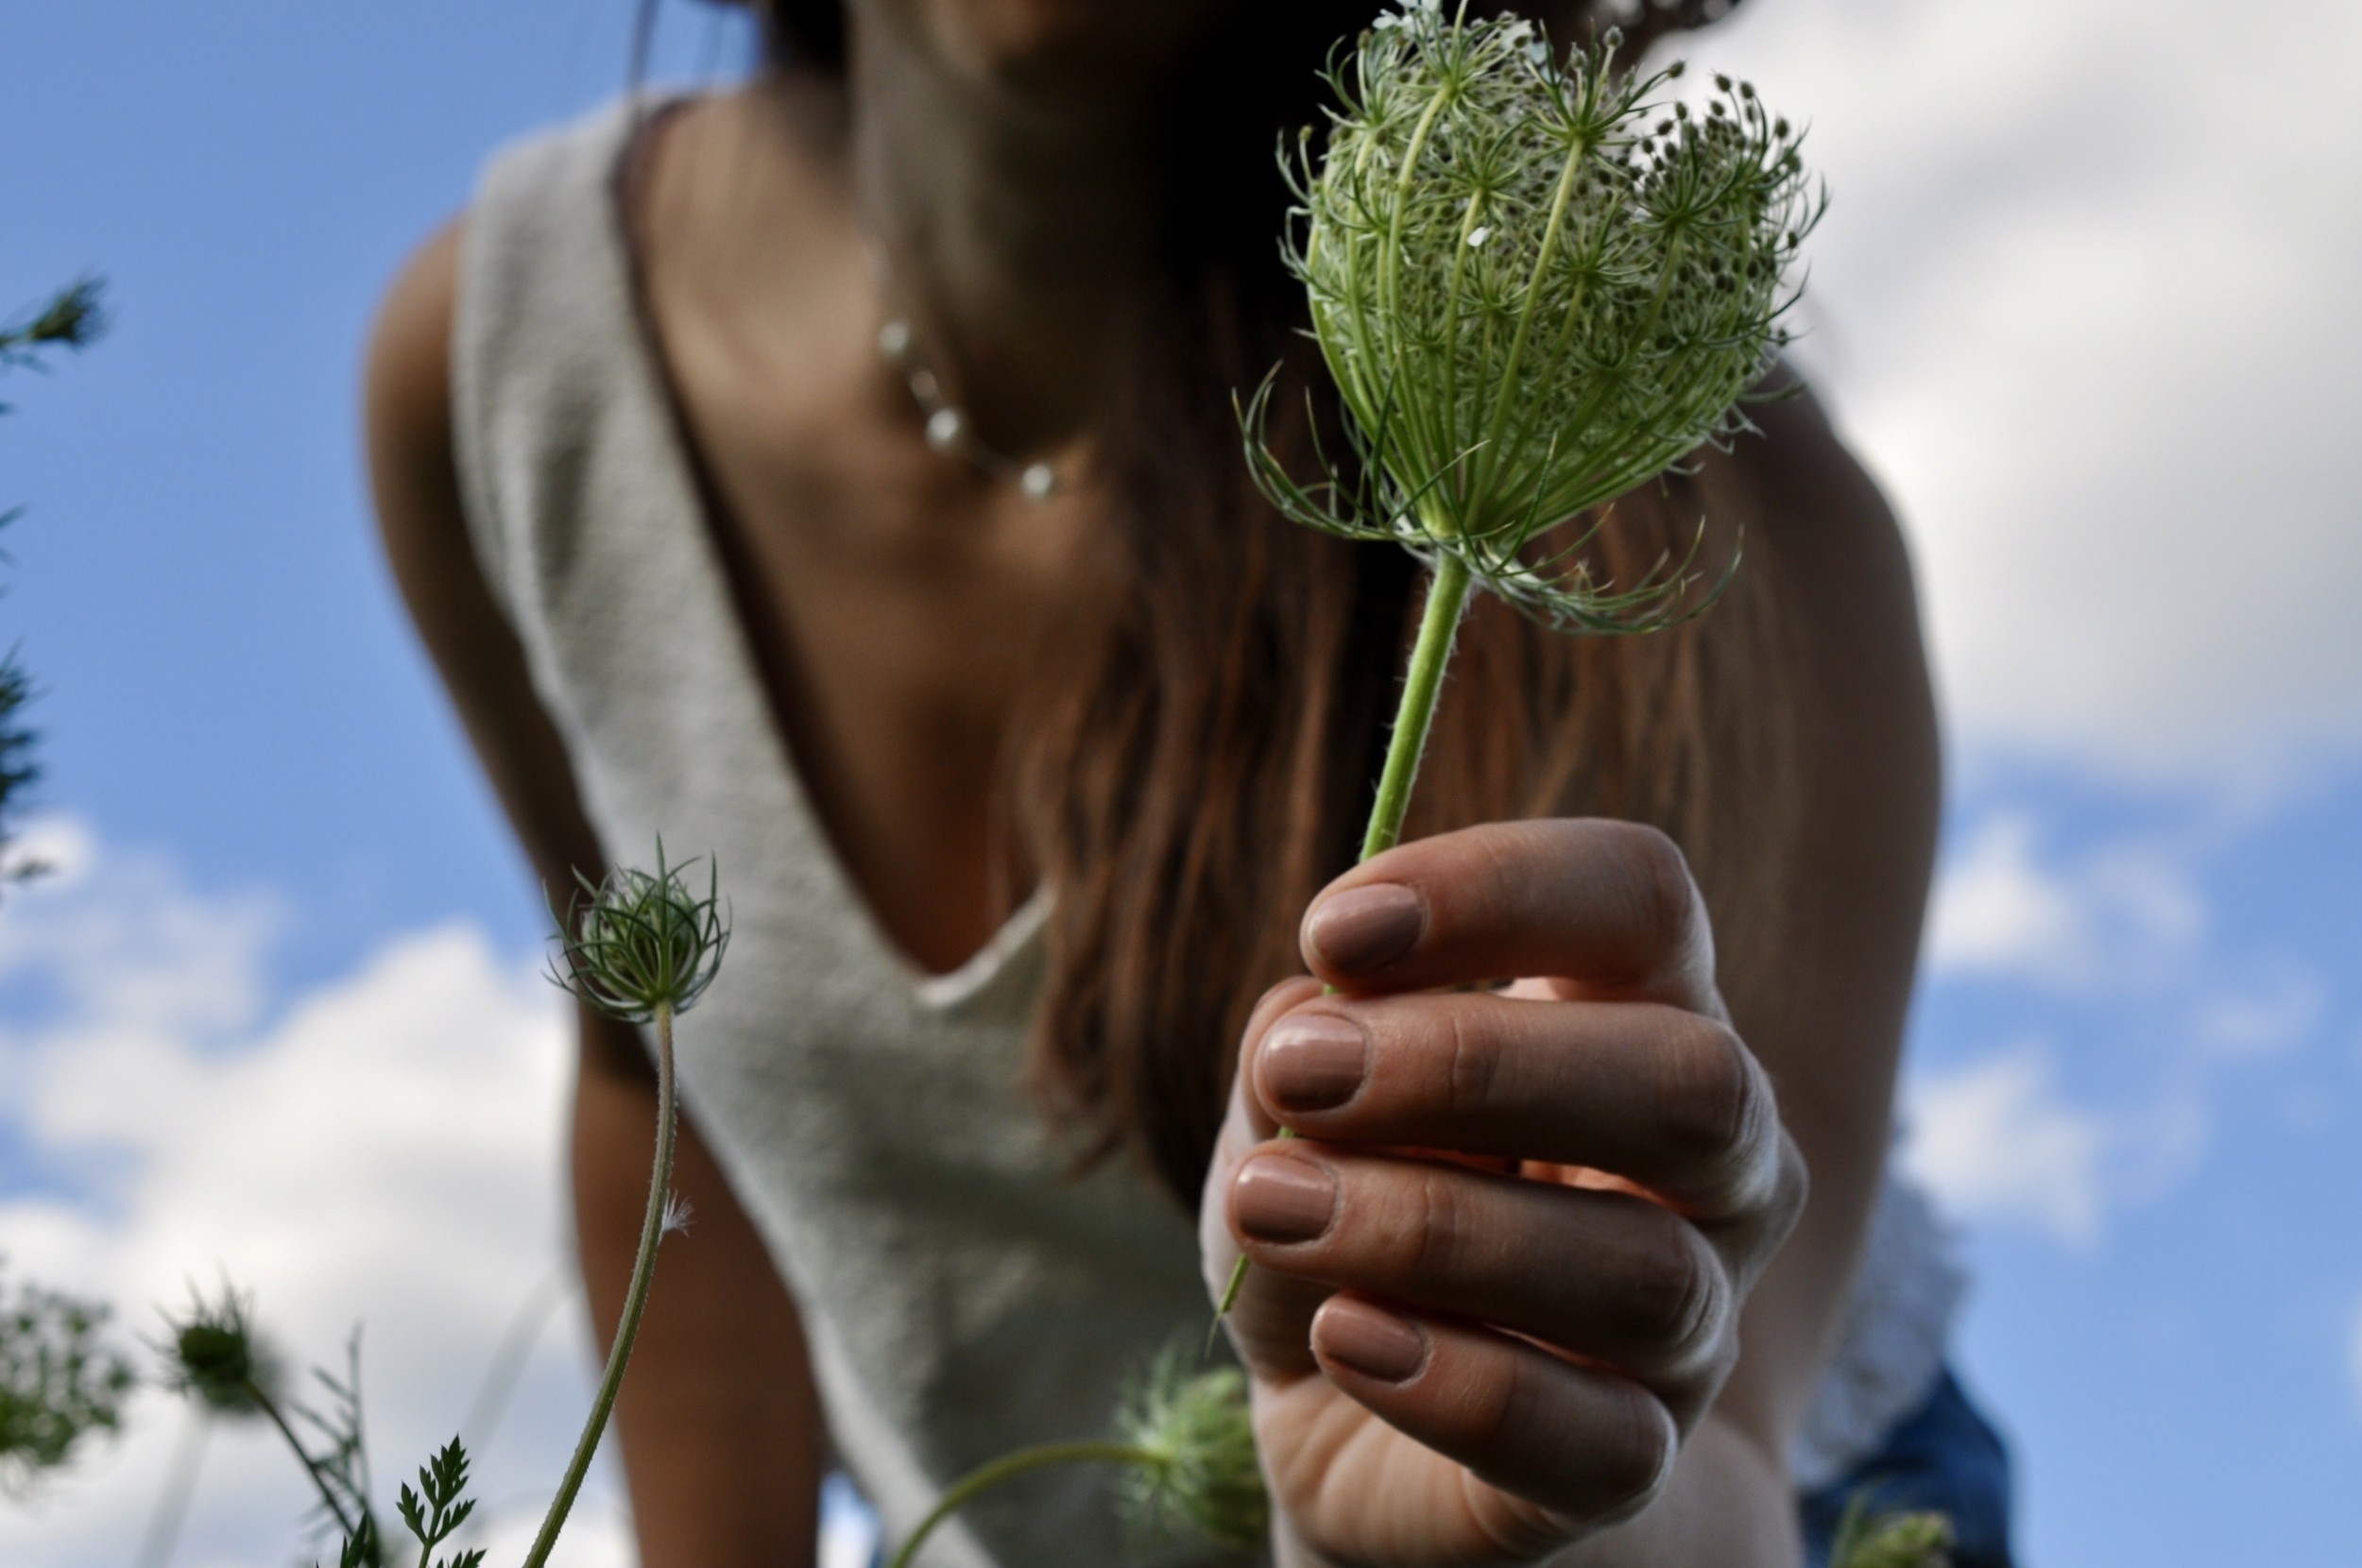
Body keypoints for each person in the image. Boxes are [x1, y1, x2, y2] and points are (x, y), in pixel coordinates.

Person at [365, 1, 2013, 1563]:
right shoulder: (509, 364)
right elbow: (658, 1075)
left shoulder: (1727, 525)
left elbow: (1726, 1466)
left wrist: (1534, 1511)